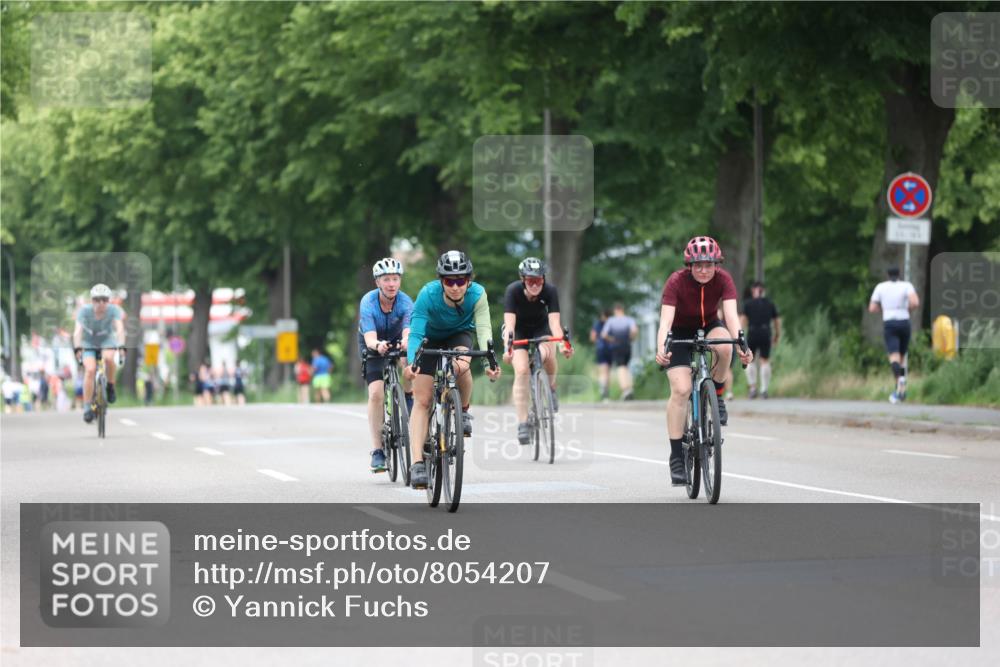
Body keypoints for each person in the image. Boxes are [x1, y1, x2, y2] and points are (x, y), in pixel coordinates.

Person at [655, 236, 753, 486]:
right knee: (681, 389)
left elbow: (731, 317)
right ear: (689, 265)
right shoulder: (676, 281)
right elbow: (665, 321)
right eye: (697, 265)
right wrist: (661, 348)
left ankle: (717, 394)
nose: (703, 270)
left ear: (716, 264)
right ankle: (676, 456)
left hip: (708, 325)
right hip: (678, 332)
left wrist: (742, 344)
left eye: (708, 264)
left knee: (725, 346)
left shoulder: (724, 279)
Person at [403, 250, 502, 489]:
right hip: (429, 339)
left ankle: (463, 410)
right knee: (423, 400)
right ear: (441, 281)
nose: (456, 286)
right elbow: (416, 333)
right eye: (450, 281)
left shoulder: (478, 294)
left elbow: (484, 330)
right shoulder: (428, 294)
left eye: (461, 280)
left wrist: (490, 363)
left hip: (459, 335)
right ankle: (417, 463)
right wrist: (411, 364)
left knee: (461, 365)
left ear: (469, 280)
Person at [501, 257, 573, 444]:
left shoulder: (550, 291)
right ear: (523, 279)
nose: (535, 284)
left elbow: (555, 324)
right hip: (519, 330)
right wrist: (507, 348)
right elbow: (509, 325)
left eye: (539, 280)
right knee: (522, 370)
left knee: (548, 353)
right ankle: (523, 423)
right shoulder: (513, 291)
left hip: (541, 328)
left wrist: (562, 345)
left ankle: (551, 387)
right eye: (530, 280)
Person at [358, 257, 414, 473]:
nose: (391, 284)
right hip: (372, 341)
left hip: (398, 338)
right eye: (386, 279)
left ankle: (408, 396)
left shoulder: (406, 302)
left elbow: (409, 331)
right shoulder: (368, 302)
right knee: (376, 394)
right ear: (377, 283)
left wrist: (406, 342)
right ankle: (377, 450)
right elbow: (370, 338)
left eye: (395, 279)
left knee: (409, 363)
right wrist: (377, 345)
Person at [72, 283, 125, 424]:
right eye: (97, 299)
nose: (101, 303)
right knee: (90, 370)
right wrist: (77, 348)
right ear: (92, 300)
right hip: (88, 342)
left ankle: (110, 386)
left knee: (108, 359)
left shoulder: (113, 310)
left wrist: (121, 345)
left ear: (108, 301)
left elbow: (119, 328)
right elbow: (78, 331)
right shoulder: (84, 311)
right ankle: (87, 407)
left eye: (104, 300)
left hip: (106, 340)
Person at [868, 266, 919, 403]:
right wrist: (908, 309)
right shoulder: (906, 285)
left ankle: (900, 381)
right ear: (899, 274)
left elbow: (872, 308)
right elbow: (915, 302)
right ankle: (900, 391)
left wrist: (884, 308)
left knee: (894, 358)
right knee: (901, 360)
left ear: (887, 274)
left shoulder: (881, 287)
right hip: (904, 322)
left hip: (890, 323)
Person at [741, 280, 781, 399]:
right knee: (765, 360)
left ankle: (753, 388)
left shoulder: (748, 304)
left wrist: (740, 336)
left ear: (753, 290)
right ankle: (764, 389)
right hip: (765, 333)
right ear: (763, 291)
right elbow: (776, 321)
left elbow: (742, 321)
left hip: (752, 333)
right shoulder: (770, 303)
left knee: (749, 360)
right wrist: (777, 334)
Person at [601, 302, 638, 400]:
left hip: (617, 345)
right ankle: (630, 388)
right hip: (627, 345)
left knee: (620, 367)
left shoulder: (611, 320)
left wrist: (611, 339)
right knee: (626, 367)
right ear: (623, 310)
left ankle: (625, 390)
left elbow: (603, 334)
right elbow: (634, 330)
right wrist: (631, 338)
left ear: (616, 310)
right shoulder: (629, 320)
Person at [590, 309, 612, 401]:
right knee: (608, 371)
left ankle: (603, 390)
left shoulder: (597, 324)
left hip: (601, 349)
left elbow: (592, 337)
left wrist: (598, 342)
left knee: (603, 371)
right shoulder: (611, 323)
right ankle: (606, 392)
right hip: (610, 349)